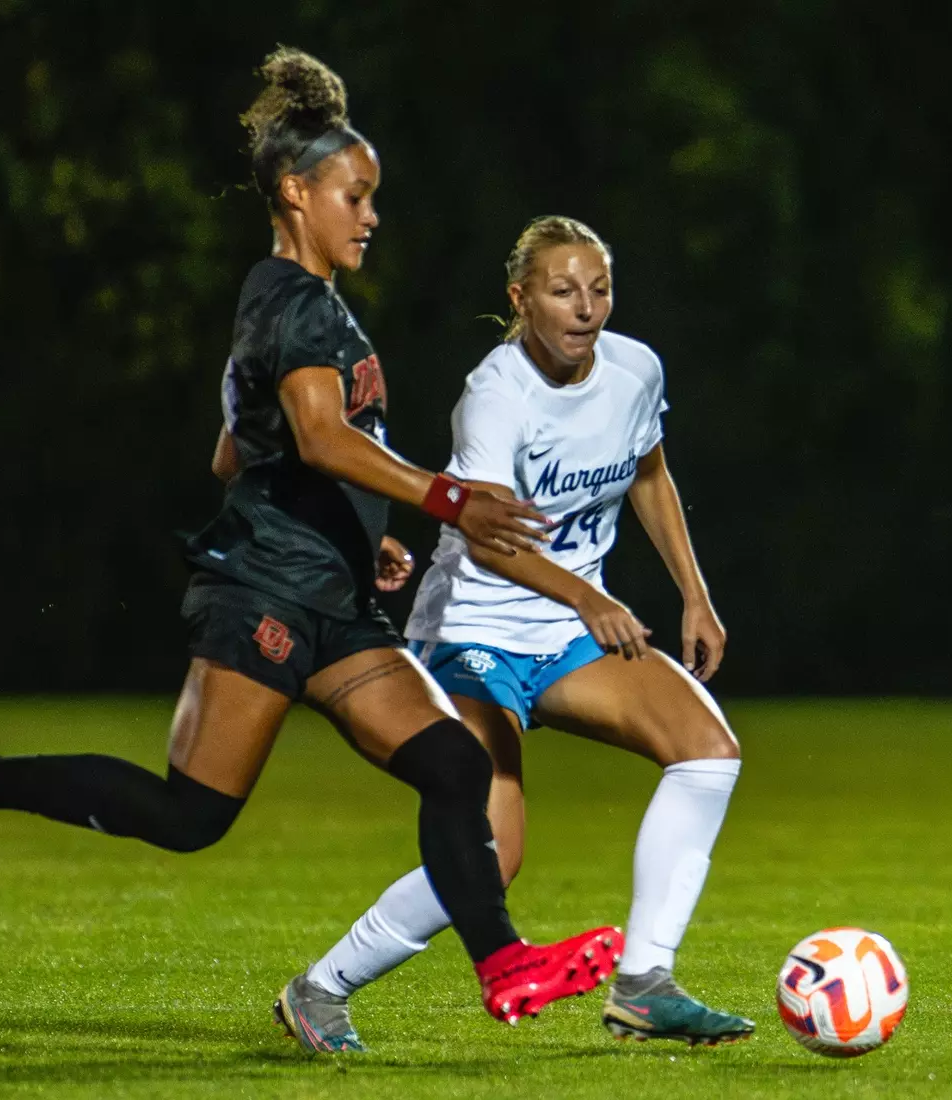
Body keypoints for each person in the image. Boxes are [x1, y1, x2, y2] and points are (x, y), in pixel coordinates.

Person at [0, 49, 620, 1037]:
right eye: (356, 195)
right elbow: (316, 436)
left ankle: (504, 962)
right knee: (191, 815)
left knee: (452, 763)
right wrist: (446, 499)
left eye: (373, 197)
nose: (371, 215)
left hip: (332, 597)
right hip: (263, 590)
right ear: (298, 192)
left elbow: (237, 452)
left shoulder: (298, 306)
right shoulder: (293, 300)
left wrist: (361, 534)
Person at [278, 216, 754, 1051]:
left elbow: (649, 472)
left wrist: (694, 594)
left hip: (567, 629)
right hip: (472, 632)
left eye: (598, 289)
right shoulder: (495, 396)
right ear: (519, 298)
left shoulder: (635, 369)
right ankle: (320, 990)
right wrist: (584, 597)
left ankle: (644, 983)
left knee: (706, 749)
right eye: (562, 291)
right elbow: (490, 539)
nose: (585, 309)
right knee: (493, 854)